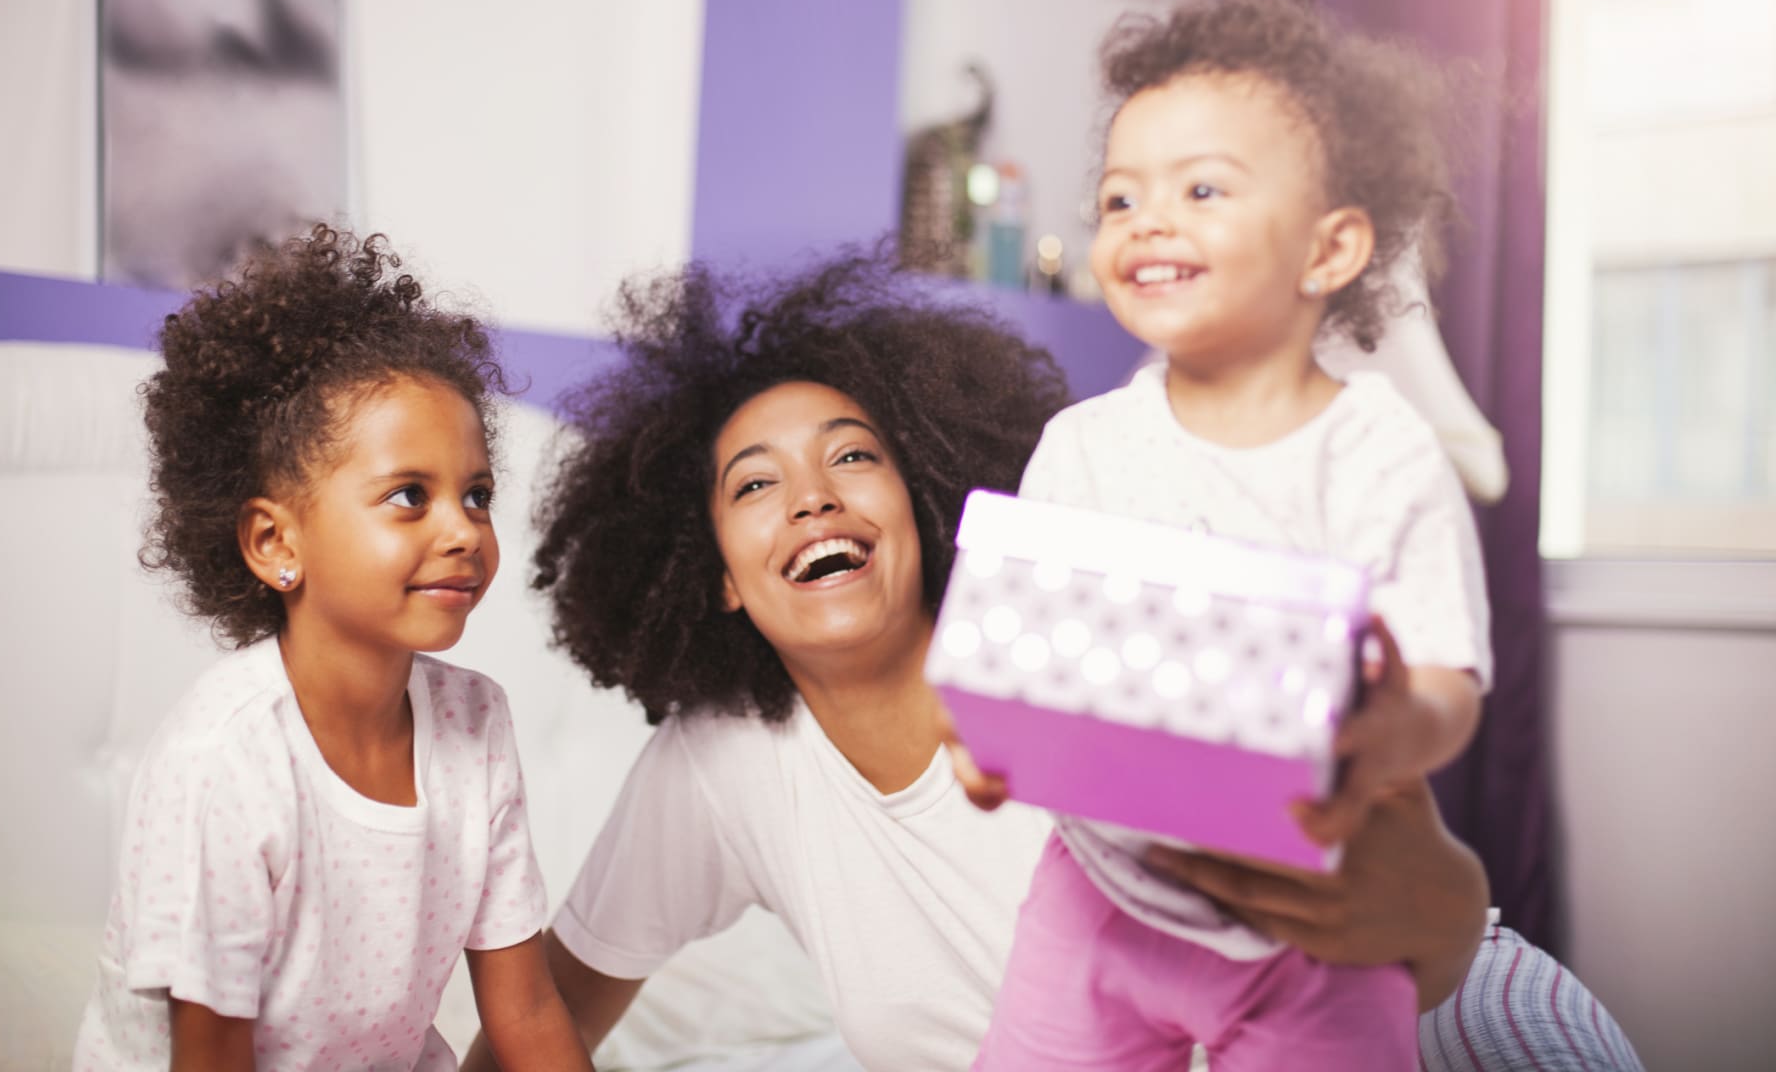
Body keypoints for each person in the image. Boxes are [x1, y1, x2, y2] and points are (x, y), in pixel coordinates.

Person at [461, 250, 1641, 1072]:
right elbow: (549, 1005)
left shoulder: (1072, 639)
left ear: (921, 500)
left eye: (853, 457)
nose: (812, 497)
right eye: (755, 485)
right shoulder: (720, 768)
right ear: (711, 571)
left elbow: (1425, 912)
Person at [949, 0, 1489, 1070]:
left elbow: (1445, 680)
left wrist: (1390, 729)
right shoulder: (1084, 444)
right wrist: (984, 732)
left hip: (1313, 924)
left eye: (1203, 190)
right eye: (1118, 198)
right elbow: (1016, 643)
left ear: (1330, 251)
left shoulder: (1380, 454)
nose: (1147, 219)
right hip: (1095, 898)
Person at [74, 225, 593, 1071]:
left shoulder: (474, 720)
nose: (464, 529)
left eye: (478, 494)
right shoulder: (226, 759)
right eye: (408, 496)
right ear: (277, 543)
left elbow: (527, 1011)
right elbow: (211, 1058)